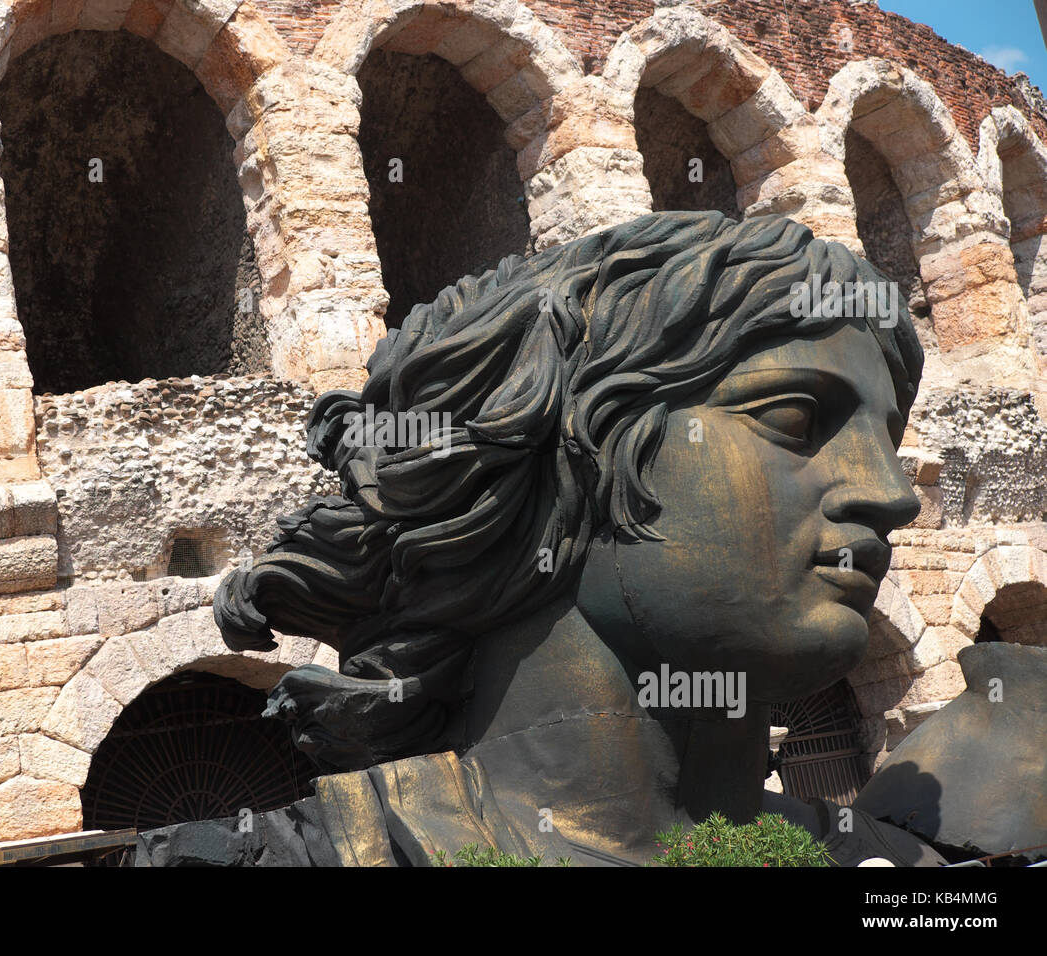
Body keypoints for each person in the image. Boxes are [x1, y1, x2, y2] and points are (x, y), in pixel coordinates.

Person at [142, 211, 946, 867]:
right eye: (793, 417)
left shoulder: (907, 878)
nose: (894, 494)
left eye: (886, 437)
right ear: (567, 453)